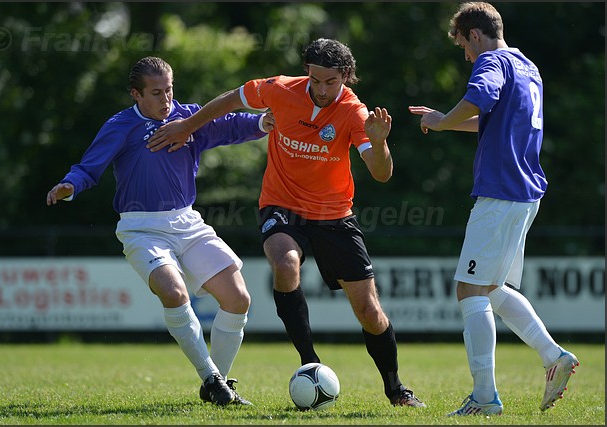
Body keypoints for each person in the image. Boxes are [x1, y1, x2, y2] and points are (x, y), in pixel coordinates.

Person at [146, 38, 426, 408]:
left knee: (370, 312)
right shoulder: (280, 89)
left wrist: (380, 144)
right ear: (307, 71)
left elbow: (381, 174)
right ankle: (309, 361)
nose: (323, 89)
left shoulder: (353, 112)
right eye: (317, 79)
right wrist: (187, 126)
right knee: (285, 262)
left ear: (345, 77)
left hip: (334, 215)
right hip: (282, 204)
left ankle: (396, 390)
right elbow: (231, 99)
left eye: (331, 82)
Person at [46, 56, 275, 406]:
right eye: (156, 93)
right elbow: (88, 168)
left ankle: (216, 383)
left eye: (169, 90)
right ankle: (212, 378)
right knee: (174, 292)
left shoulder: (189, 118)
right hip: (142, 229)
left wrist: (262, 121)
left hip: (188, 222)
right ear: (136, 95)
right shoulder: (120, 125)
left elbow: (229, 125)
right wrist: (69, 185)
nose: (166, 99)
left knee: (238, 298)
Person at [408, 2, 579, 416]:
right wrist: (444, 120)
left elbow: (478, 97)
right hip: (525, 194)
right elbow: (494, 119)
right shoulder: (528, 67)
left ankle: (485, 397)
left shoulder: (492, 61)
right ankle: (554, 356)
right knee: (493, 289)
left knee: (468, 290)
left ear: (475, 34)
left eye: (464, 47)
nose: (467, 56)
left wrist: (444, 119)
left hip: (500, 192)